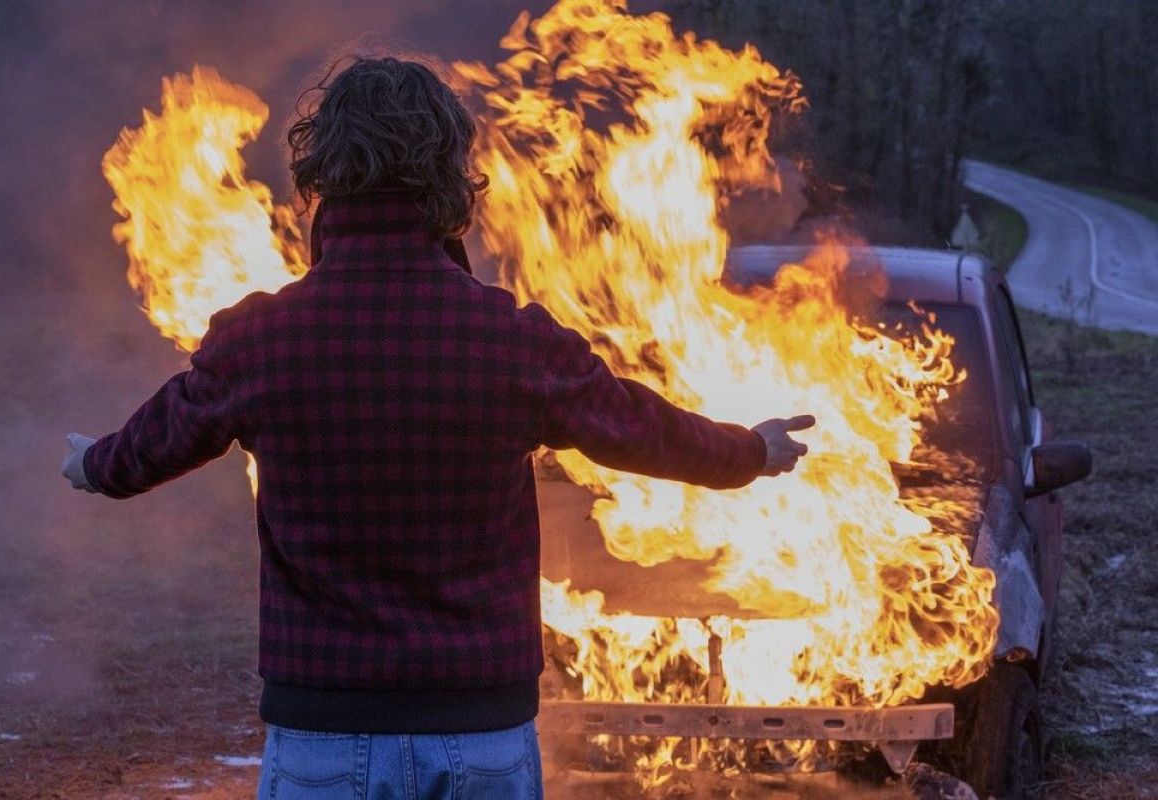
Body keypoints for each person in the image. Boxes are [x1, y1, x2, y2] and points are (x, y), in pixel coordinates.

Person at [61, 55, 814, 800]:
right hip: (480, 728)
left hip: (323, 729)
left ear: (321, 177)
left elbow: (153, 442)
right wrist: (750, 450)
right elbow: (641, 429)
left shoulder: (261, 339)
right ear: (450, 178)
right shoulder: (509, 338)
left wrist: (93, 464)